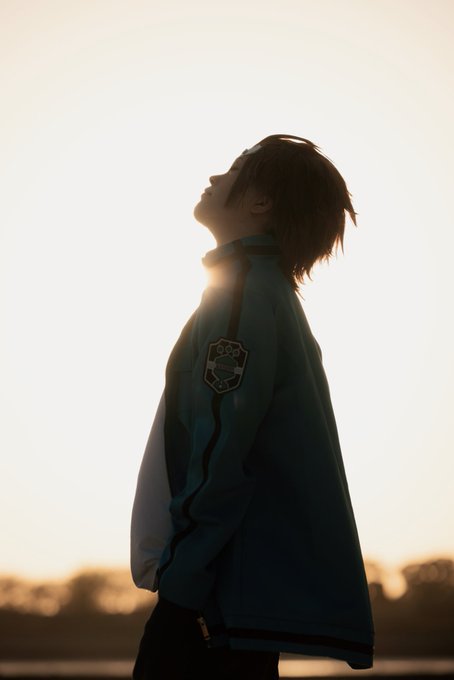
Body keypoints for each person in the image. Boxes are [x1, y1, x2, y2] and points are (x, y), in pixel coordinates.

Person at [130, 134, 375, 679]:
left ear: (261, 202)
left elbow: (220, 449)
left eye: (235, 171)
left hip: (213, 596)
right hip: (231, 595)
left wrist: (183, 584)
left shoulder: (241, 295)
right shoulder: (261, 292)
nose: (215, 178)